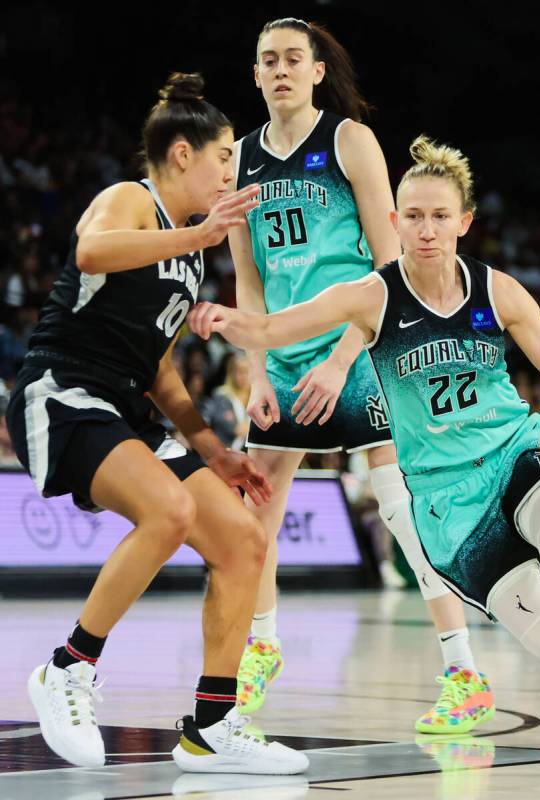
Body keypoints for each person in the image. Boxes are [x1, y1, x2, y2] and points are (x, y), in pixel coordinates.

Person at [189, 135, 540, 780]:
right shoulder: (372, 297)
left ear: (465, 222)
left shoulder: (500, 292)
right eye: (414, 216)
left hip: (514, 453)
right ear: (393, 222)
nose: (427, 229)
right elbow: (275, 327)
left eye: (441, 216)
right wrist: (221, 319)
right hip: (443, 499)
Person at [4, 72, 307, 776]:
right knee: (167, 511)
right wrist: (199, 233)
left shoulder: (191, 256)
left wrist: (212, 449)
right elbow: (89, 250)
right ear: (181, 155)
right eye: (224, 154)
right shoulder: (130, 200)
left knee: (241, 542)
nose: (233, 168)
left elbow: (161, 371)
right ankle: (67, 670)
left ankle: (212, 725)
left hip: (125, 403)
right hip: (61, 391)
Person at [229, 16, 493, 734]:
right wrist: (254, 373)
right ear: (254, 75)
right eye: (267, 61)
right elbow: (246, 283)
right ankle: (261, 646)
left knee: (401, 508)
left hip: (359, 346)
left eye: (293, 59)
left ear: (316, 71)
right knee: (253, 514)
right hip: (281, 357)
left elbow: (389, 266)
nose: (280, 70)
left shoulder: (347, 140)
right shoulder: (239, 162)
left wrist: (347, 355)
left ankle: (462, 671)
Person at [205, 352, 251, 449]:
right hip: (226, 449)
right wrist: (252, 429)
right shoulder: (221, 396)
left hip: (249, 451)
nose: (245, 376)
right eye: (241, 371)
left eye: (248, 372)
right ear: (231, 373)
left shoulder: (256, 399)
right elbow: (234, 429)